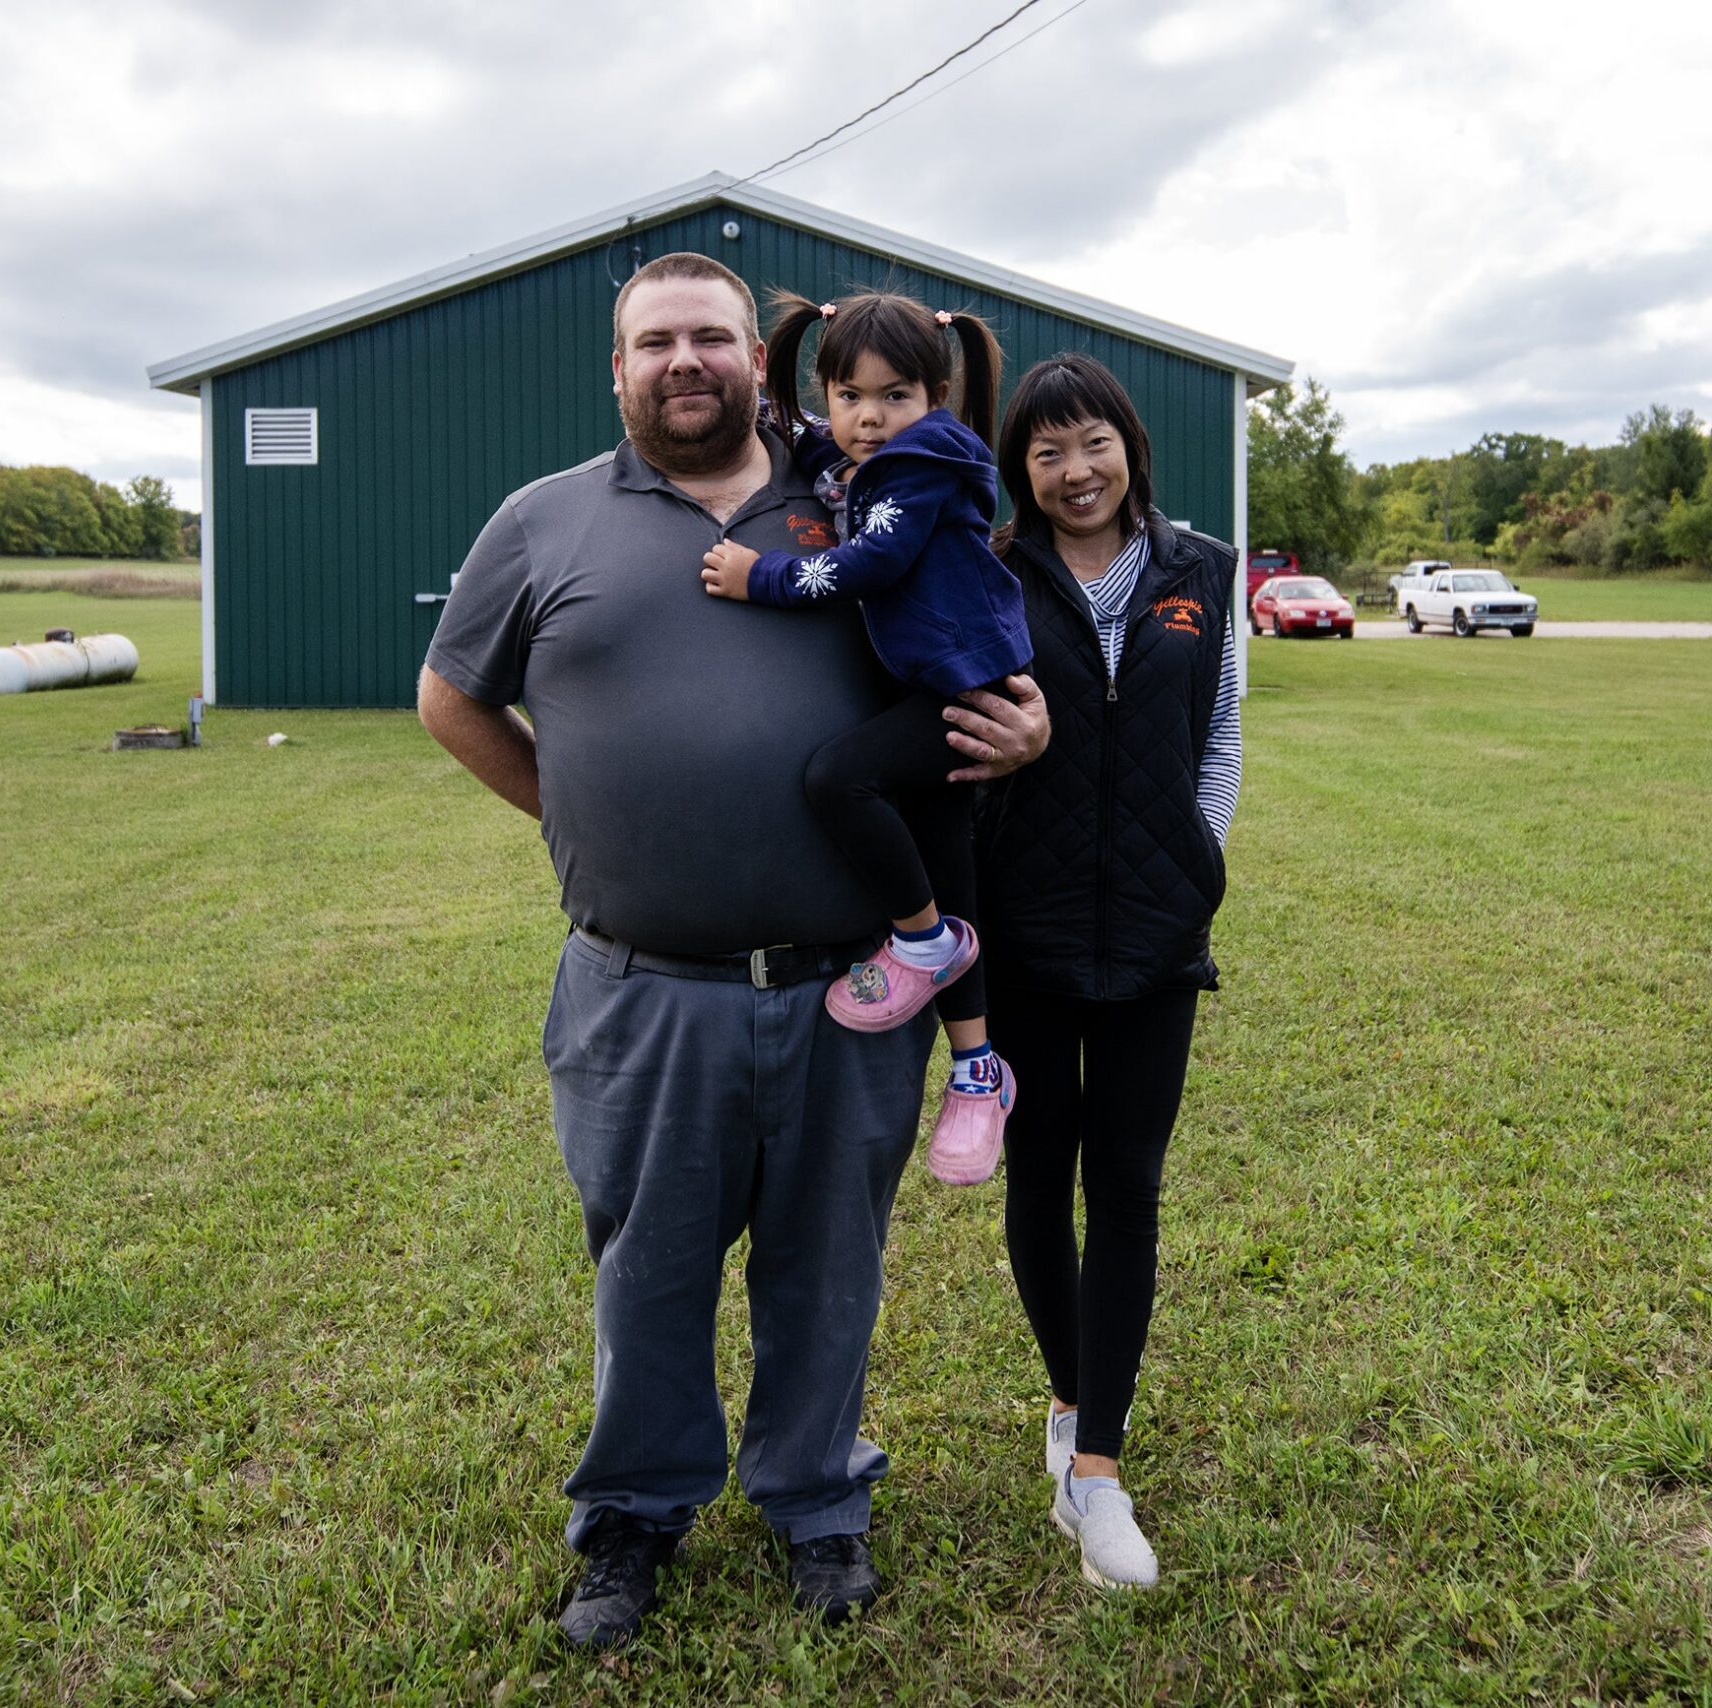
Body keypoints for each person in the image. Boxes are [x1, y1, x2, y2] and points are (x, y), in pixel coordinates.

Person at [416, 252, 1049, 1649]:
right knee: (646, 1268)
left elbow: (982, 650)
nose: (686, 361)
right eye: (657, 342)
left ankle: (818, 1502)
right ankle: (634, 1517)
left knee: (827, 1266)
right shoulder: (544, 521)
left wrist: (1031, 727)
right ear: (619, 366)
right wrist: (568, 815)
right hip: (640, 990)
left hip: (847, 988)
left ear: (759, 360)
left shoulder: (859, 488)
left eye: (713, 336)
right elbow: (450, 699)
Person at [974, 353, 1242, 1591]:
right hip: (1023, 933)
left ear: (1128, 446)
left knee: (1126, 1189)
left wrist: (1197, 862)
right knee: (1041, 1181)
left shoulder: (1201, 573)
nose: (1074, 471)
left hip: (1153, 937)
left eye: (1093, 444)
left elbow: (1220, 734)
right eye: (1046, 451)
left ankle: (1098, 1470)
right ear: (1020, 468)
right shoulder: (985, 572)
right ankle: (1071, 1404)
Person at [699, 289, 1031, 1186]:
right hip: (925, 684)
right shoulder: (861, 454)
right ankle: (977, 1073)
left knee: (838, 780)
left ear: (936, 396)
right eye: (850, 396)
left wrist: (757, 575)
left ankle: (918, 944)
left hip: (965, 683)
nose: (869, 418)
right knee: (946, 868)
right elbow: (806, 436)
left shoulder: (925, 463)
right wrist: (790, 406)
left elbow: (873, 563)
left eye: (894, 396)